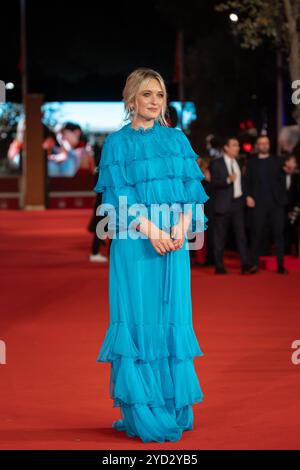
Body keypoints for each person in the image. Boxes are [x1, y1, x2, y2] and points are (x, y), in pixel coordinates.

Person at [93, 68, 209, 443]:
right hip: (135, 238)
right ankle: (143, 410)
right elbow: (117, 197)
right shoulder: (116, 144)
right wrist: (151, 229)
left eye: (159, 94)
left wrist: (181, 225)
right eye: (146, 94)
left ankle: (172, 404)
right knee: (138, 318)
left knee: (172, 316)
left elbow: (191, 189)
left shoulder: (177, 140)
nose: (155, 101)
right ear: (132, 99)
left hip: (174, 241)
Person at [245, 135, 288, 274]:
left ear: (269, 145)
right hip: (258, 203)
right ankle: (254, 264)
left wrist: (282, 199)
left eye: (266, 143)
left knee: (279, 235)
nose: (264, 145)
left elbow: (283, 182)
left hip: (276, 204)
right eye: (261, 143)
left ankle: (280, 265)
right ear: (257, 146)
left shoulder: (278, 161)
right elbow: (246, 181)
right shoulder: (251, 162)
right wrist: (248, 196)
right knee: (256, 234)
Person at [210, 137, 251, 274]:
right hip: (222, 204)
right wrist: (228, 180)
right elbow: (213, 183)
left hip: (238, 203)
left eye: (238, 145)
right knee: (220, 237)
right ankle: (219, 266)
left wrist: (246, 197)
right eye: (234, 145)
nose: (237, 148)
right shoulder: (216, 163)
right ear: (226, 148)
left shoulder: (240, 162)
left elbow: (243, 183)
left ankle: (245, 265)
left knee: (241, 235)